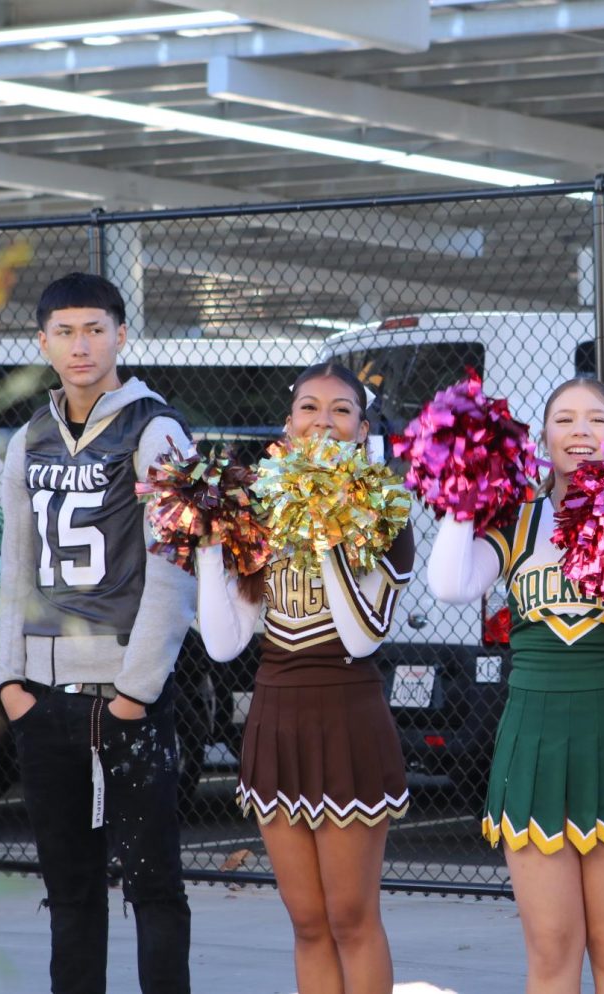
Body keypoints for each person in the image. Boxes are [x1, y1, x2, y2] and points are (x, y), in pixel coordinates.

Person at [428, 374, 604, 994]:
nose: (581, 431)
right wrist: (462, 498)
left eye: (597, 419)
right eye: (565, 419)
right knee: (551, 948)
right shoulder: (519, 521)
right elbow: (450, 585)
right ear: (543, 437)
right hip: (536, 739)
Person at [0, 272, 195, 994]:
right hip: (44, 699)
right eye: (66, 332)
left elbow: (175, 571)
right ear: (42, 342)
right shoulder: (29, 438)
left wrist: (136, 694)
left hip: (125, 694)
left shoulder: (157, 429)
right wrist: (10, 683)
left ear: (121, 336)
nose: (81, 346)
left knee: (154, 890)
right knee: (70, 895)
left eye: (95, 330)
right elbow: (17, 565)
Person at [195, 361, 413, 994]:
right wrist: (211, 543)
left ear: (363, 430)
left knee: (351, 918)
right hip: (275, 720)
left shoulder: (385, 512)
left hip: (347, 717)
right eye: (309, 408)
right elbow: (224, 640)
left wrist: (323, 531)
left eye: (341, 410)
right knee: (308, 922)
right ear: (287, 427)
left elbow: (362, 636)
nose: (324, 420)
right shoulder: (259, 510)